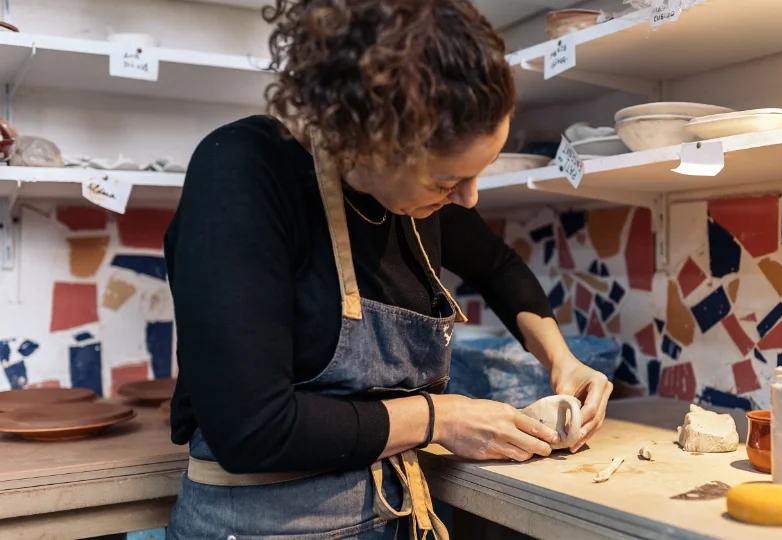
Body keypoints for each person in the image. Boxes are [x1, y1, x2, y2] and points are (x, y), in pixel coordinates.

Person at [164, 1, 613, 538]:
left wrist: (561, 360)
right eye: (447, 181)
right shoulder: (244, 170)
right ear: (369, 140)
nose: (467, 200)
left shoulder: (415, 201)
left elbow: (498, 267)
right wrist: (440, 418)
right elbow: (252, 430)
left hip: (391, 516)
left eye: (476, 176)